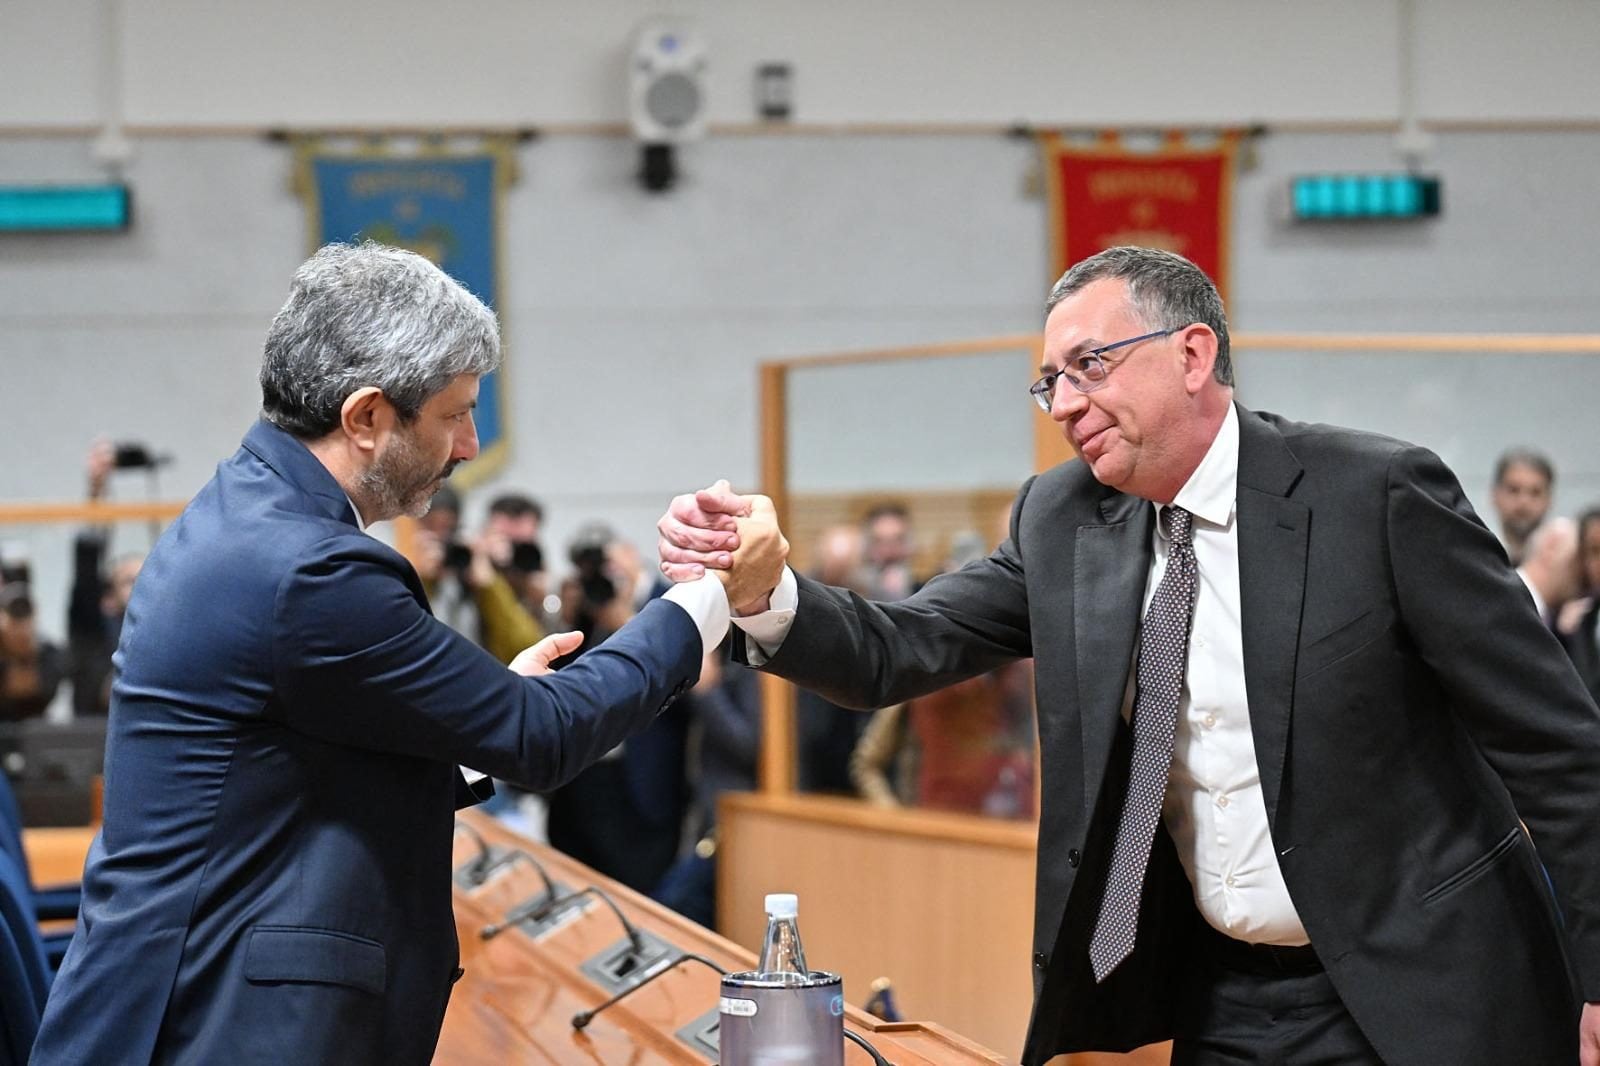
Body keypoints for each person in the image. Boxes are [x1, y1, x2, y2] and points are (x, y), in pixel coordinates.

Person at [658, 246, 1600, 1065]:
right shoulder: (1062, 519)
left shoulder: (1375, 495)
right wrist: (764, 591)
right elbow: (898, 648)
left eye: (1090, 365)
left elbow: (1558, 752)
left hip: (1431, 985)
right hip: (1226, 995)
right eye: (1050, 381)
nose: (1065, 404)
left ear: (1192, 355)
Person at [30, 243, 787, 1066]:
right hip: (215, 1023)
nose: (467, 445)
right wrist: (707, 596)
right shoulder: (312, 569)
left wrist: (475, 713)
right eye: (454, 415)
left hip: (175, 999)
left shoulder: (239, 512)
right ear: (365, 418)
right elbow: (543, 735)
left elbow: (289, 764)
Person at [68, 438, 144, 715]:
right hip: (91, 734)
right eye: (130, 581)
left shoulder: (157, 631)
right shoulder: (95, 628)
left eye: (144, 579)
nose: (141, 587)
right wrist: (96, 491)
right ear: (109, 599)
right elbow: (87, 568)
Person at [1491, 446, 1555, 566]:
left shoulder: (1566, 563)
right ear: (1495, 495)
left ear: (1549, 500)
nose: (1523, 502)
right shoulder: (1475, 554)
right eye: (1514, 490)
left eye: (1535, 493)